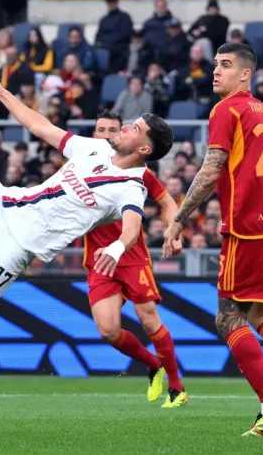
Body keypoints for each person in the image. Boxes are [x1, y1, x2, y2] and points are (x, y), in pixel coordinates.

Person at [0, 75, 175, 433]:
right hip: (4, 200)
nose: (125, 127)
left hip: (16, 247)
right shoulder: (97, 148)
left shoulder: (131, 186)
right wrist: (3, 93)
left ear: (144, 148)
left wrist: (117, 246)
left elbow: (132, 227)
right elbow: (41, 126)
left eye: (134, 127)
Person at [162, 42, 263, 437]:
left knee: (227, 315)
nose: (217, 71)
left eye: (226, 65)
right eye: (216, 64)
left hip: (247, 228)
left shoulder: (226, 109)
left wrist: (178, 218)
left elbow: (213, 167)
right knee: (260, 313)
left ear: (246, 74)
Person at [81, 111, 188, 407]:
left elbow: (167, 202)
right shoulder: (83, 164)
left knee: (148, 317)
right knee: (108, 330)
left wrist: (173, 231)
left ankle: (177, 388)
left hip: (131, 256)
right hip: (99, 258)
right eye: (99, 129)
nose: (104, 134)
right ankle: (153, 364)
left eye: (111, 129)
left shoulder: (140, 174)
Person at [95, 0, 134, 73]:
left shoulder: (125, 17)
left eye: (112, 2)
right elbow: (98, 36)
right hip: (105, 54)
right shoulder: (104, 19)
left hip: (120, 54)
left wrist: (107, 42)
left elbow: (125, 35)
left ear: (117, 3)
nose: (110, 4)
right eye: (109, 2)